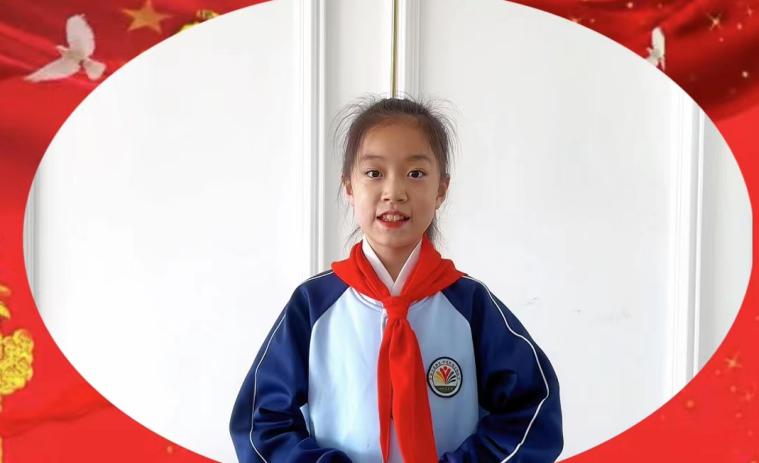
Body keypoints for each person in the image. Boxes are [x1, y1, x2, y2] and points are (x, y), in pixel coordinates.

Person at [230, 96, 563, 462]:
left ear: (441, 190)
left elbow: (533, 409)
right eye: (374, 173)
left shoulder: (471, 304)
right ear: (349, 186)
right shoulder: (312, 305)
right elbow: (261, 422)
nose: (394, 192)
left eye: (415, 174)